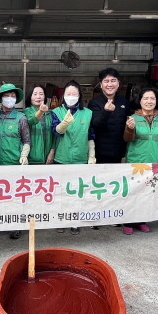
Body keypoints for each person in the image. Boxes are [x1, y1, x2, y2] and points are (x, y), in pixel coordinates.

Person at [50, 80, 96, 235]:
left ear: (79, 96)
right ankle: (61, 220)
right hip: (61, 158)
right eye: (68, 94)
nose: (71, 96)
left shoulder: (88, 113)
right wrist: (64, 123)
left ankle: (75, 221)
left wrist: (92, 155)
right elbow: (56, 132)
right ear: (63, 95)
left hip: (80, 158)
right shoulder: (56, 112)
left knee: (77, 192)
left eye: (74, 94)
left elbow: (90, 135)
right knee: (61, 192)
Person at [122, 87, 158, 235]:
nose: (149, 101)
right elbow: (127, 139)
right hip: (136, 162)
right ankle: (128, 222)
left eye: (152, 98)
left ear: (156, 101)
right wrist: (129, 129)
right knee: (133, 193)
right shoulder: (133, 118)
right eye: (145, 98)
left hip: (156, 162)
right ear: (140, 101)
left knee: (149, 193)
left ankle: (141, 221)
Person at [0, 83, 31, 239]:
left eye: (13, 96)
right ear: (1, 98)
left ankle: (17, 226)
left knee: (16, 198)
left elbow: (26, 140)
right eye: (7, 96)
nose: (10, 98)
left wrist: (24, 155)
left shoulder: (21, 118)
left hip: (14, 164)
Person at [89, 68, 130, 163]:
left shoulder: (124, 102)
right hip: (100, 153)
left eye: (113, 80)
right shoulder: (94, 103)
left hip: (119, 152)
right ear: (101, 85)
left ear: (118, 83)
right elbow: (96, 125)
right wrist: (106, 111)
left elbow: (127, 126)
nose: (110, 84)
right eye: (106, 81)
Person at [23, 84, 55, 165]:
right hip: (32, 159)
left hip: (48, 158)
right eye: (35, 94)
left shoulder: (49, 115)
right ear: (30, 96)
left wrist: (52, 152)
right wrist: (41, 111)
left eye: (41, 94)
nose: (38, 97)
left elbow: (54, 135)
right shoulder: (26, 112)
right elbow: (32, 120)